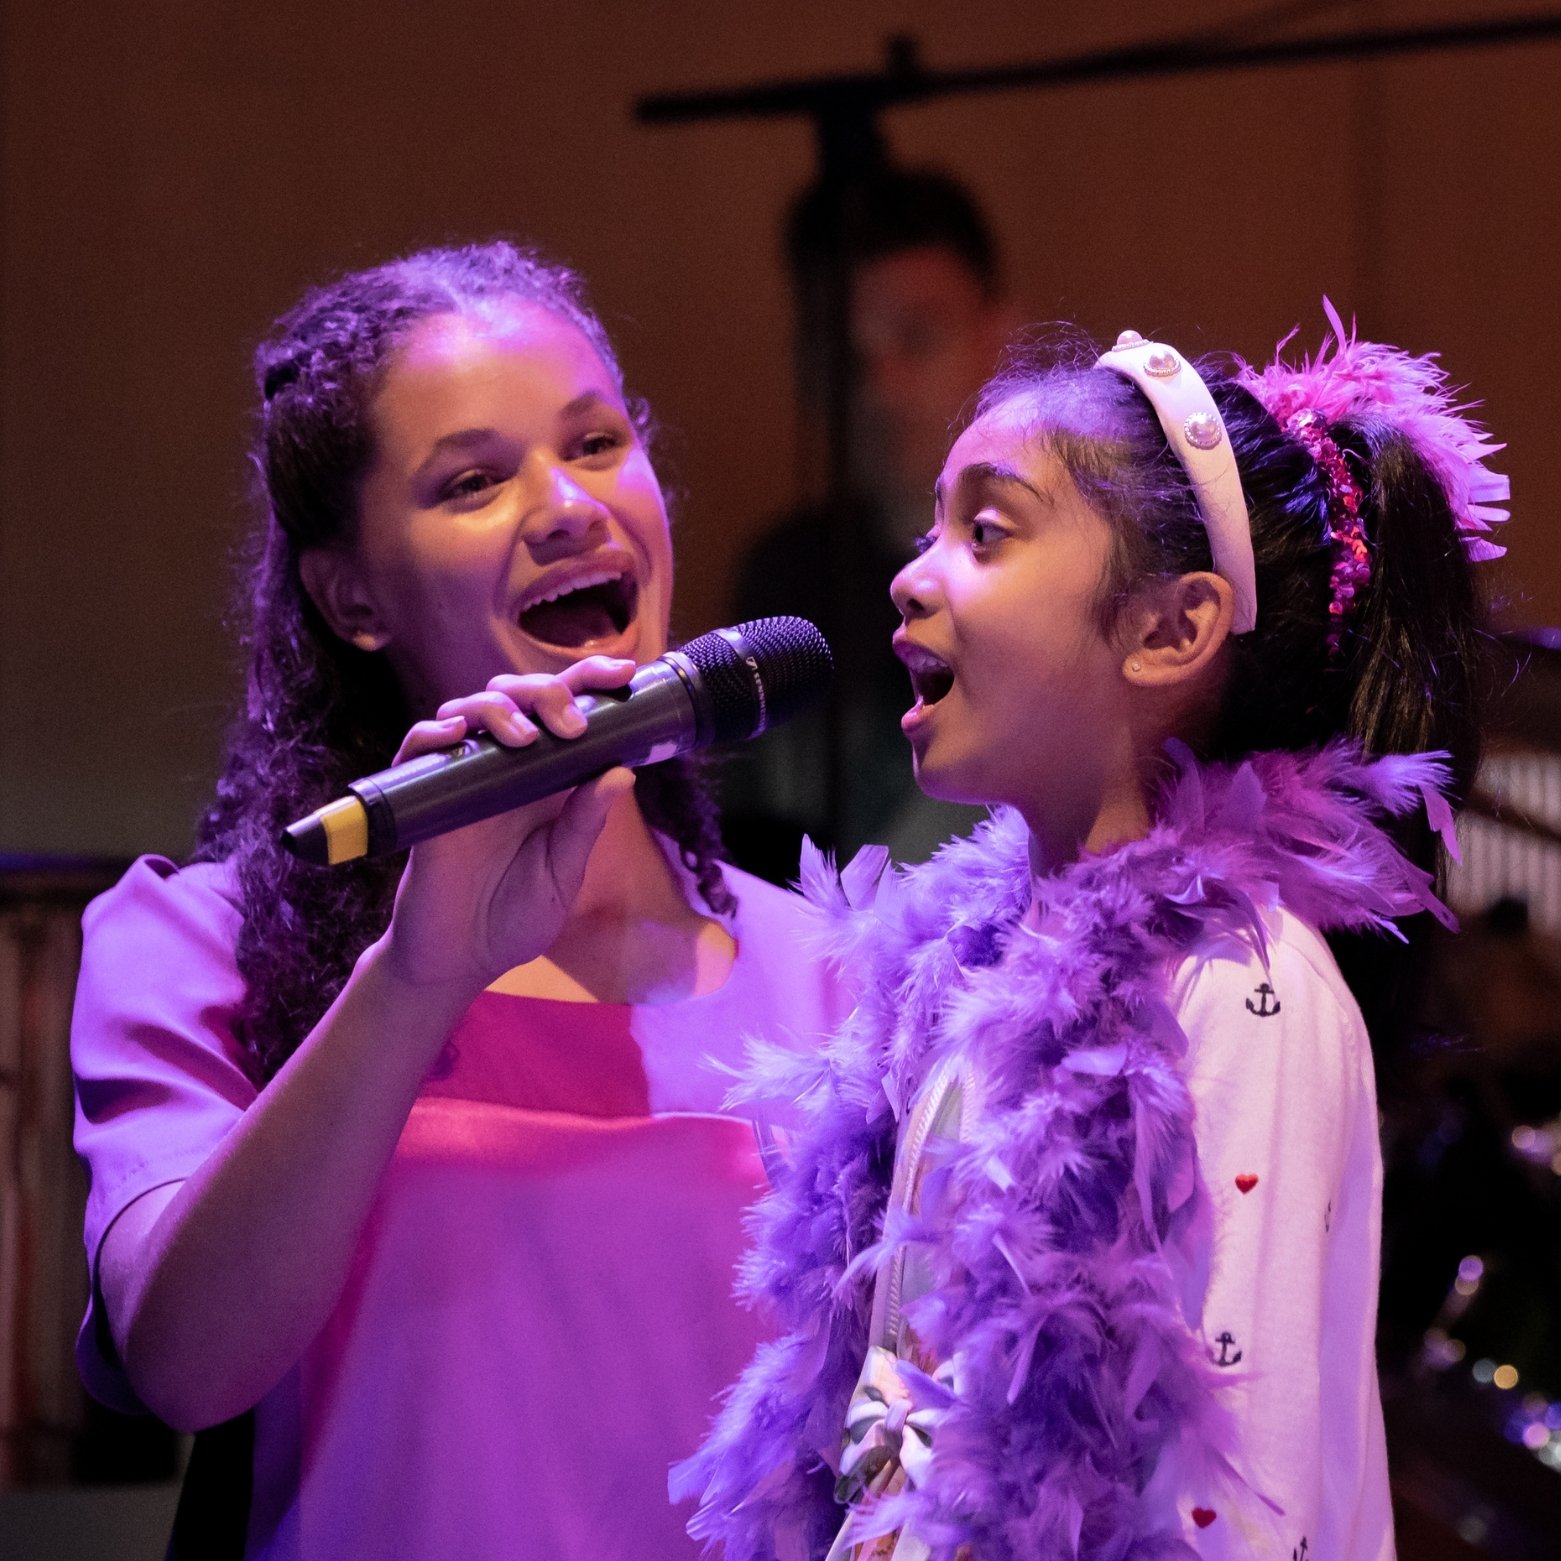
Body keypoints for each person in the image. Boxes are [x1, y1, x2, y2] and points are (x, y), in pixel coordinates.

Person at [677, 306, 1507, 1559]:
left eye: (987, 529)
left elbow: (1233, 1499)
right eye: (930, 527)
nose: (912, 572)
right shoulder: (971, 973)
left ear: (1169, 628)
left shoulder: (1241, 983)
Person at [69, 241, 847, 1559]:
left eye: (596, 443)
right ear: (351, 595)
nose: (565, 506)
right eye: (474, 481)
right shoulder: (196, 946)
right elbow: (184, 1364)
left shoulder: (833, 971)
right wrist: (415, 976)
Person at [723, 162, 1016, 877]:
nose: (881, 389)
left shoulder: (1057, 566)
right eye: (846, 355)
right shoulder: (785, 575)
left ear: (998, 333)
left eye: (916, 339)